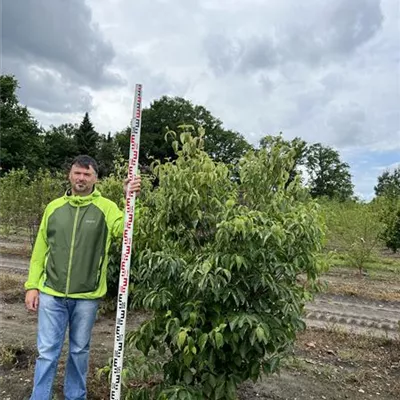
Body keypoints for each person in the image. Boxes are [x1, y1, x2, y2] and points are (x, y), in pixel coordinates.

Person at [24, 155, 141, 400]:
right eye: (77, 173)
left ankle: (75, 396)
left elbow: (125, 230)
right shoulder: (54, 207)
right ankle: (39, 397)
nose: (81, 178)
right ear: (70, 175)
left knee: (79, 351)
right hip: (51, 294)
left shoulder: (106, 208)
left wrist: (130, 200)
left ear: (95, 178)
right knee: (47, 352)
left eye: (87, 174)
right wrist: (32, 286)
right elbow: (40, 250)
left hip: (87, 297)